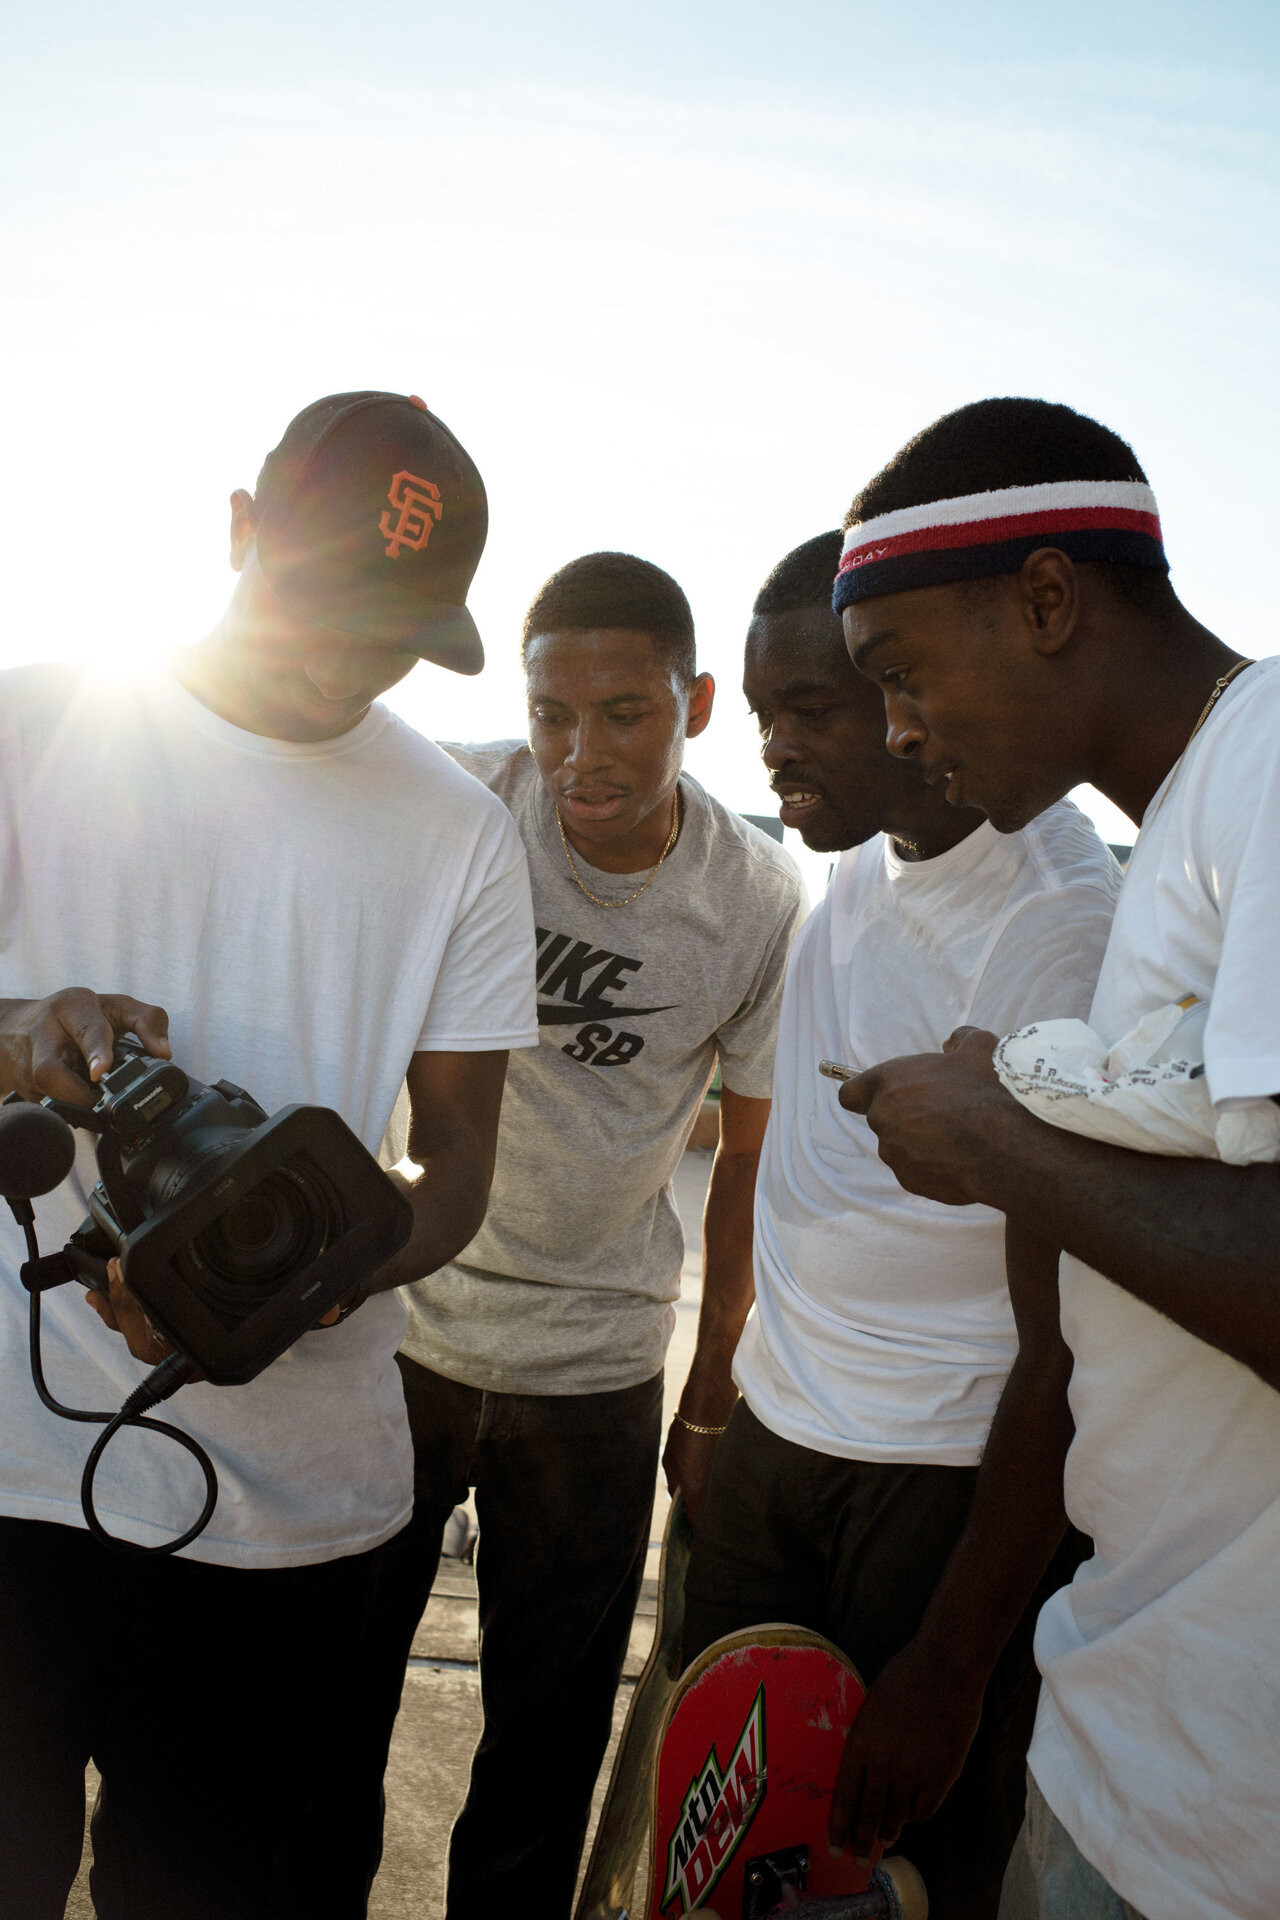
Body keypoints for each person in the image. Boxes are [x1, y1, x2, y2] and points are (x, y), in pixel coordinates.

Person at [0, 390, 540, 1920]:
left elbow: (460, 1173)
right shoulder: (35, 725)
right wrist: (18, 1026)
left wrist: (316, 1276)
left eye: (394, 635)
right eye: (320, 603)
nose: (342, 663)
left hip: (291, 1519)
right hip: (8, 1470)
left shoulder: (457, 831)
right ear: (237, 529)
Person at [834, 397, 1280, 1920]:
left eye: (903, 675)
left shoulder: (1273, 768)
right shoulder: (1191, 833)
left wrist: (1006, 1146)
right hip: (1137, 1748)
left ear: (1044, 598)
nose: (897, 731)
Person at [358, 550, 806, 1918]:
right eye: (554, 712)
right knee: (322, 1711)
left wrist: (714, 1386)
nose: (580, 751)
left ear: (700, 705)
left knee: (546, 1748)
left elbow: (748, 1159)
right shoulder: (459, 803)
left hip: (598, 1369)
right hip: (405, 1335)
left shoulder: (758, 897)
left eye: (627, 713)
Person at [679, 531, 1120, 1916]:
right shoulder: (856, 856)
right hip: (778, 1438)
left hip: (936, 1477)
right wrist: (723, 1400)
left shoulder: (1061, 921)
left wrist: (955, 1660)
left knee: (890, 1874)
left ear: (905, 691)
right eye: (761, 714)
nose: (773, 750)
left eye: (811, 709)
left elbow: (1067, 1351)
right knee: (718, 1850)